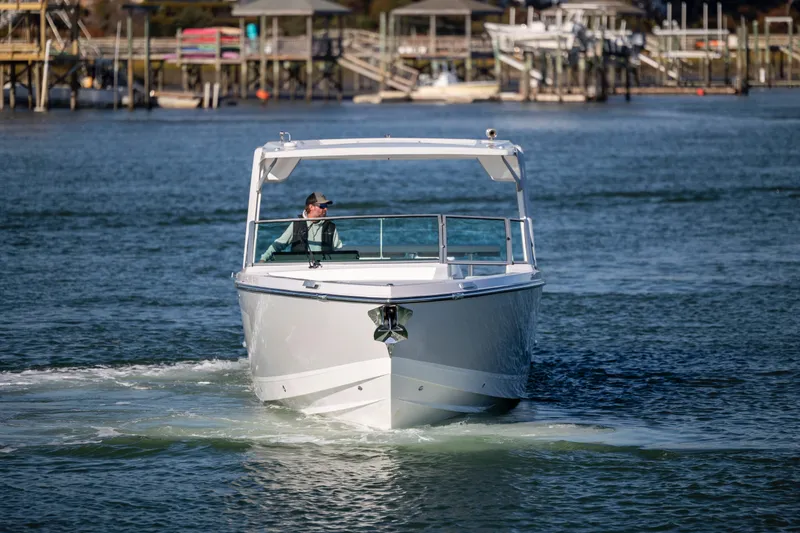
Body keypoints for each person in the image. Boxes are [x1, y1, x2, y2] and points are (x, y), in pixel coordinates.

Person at [259, 192, 343, 262]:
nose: (325, 209)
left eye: (326, 206)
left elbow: (339, 250)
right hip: (299, 268)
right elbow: (278, 245)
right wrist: (263, 260)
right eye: (322, 206)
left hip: (324, 269)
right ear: (311, 207)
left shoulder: (331, 227)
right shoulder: (296, 225)